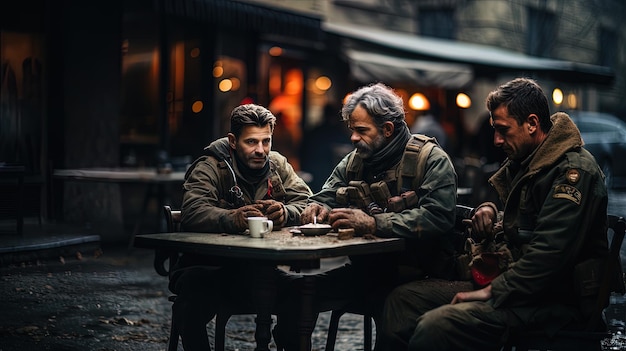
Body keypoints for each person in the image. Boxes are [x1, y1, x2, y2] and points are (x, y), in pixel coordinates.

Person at [382, 77, 612, 350]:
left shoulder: (573, 172)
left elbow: (549, 257)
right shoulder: (527, 160)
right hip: (514, 283)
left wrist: (489, 292)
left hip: (555, 299)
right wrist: (489, 209)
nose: (496, 140)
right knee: (402, 301)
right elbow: (518, 215)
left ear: (532, 124)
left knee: (439, 325)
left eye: (503, 130)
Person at [275, 82, 459, 350]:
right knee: (297, 292)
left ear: (387, 129)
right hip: (366, 272)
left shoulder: (431, 159)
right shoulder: (356, 160)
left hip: (420, 274)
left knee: (398, 309)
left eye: (361, 131)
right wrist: (316, 209)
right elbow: (324, 196)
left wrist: (374, 223)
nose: (353, 138)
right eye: (352, 130)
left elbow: (439, 216)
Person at [169, 103, 312, 351]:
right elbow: (193, 211)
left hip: (263, 269)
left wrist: (286, 212)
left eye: (266, 141)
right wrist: (232, 218)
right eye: (251, 142)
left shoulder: (278, 165)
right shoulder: (210, 166)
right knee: (191, 296)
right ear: (233, 141)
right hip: (211, 268)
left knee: (303, 292)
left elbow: (307, 202)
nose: (261, 150)